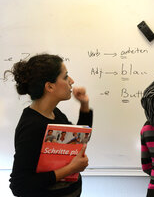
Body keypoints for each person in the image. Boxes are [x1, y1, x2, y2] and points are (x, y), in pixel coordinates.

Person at [4, 54, 93, 197]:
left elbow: (79, 140)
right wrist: (70, 169)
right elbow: (20, 185)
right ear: (49, 86)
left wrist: (84, 105)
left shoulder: (54, 114)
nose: (71, 81)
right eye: (65, 77)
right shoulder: (31, 127)